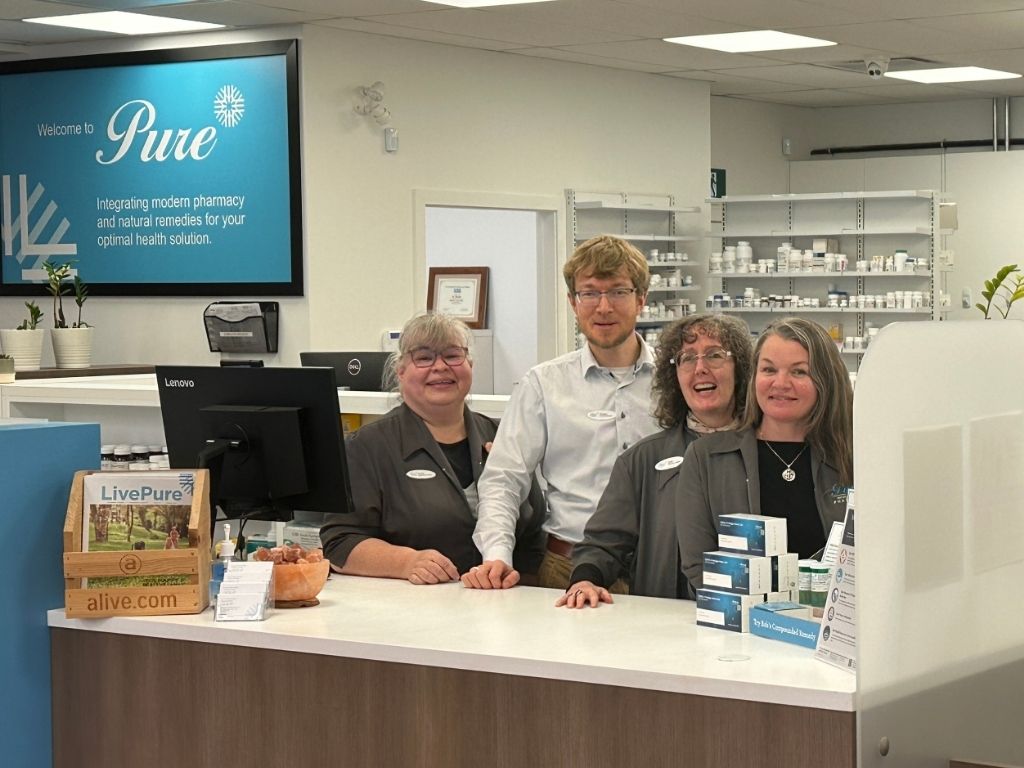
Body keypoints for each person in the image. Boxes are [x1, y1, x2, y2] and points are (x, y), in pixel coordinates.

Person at [462, 234, 659, 591]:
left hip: (658, 569)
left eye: (617, 291)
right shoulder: (543, 385)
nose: (603, 307)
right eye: (589, 292)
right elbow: (504, 478)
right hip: (568, 567)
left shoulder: (674, 383)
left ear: (641, 299)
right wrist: (497, 555)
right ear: (573, 302)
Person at [320, 313, 544, 585]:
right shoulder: (367, 447)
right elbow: (340, 543)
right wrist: (406, 562)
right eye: (424, 357)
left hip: (504, 604)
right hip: (414, 612)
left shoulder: (503, 436)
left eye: (452, 355)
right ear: (400, 372)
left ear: (470, 365)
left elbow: (535, 529)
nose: (440, 367)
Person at [557, 313, 754, 608]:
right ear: (673, 376)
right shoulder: (643, 460)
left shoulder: (766, 451)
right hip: (662, 625)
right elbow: (603, 544)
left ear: (741, 368)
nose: (700, 368)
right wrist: (586, 579)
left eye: (715, 355)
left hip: (750, 623)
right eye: (687, 358)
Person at [676, 317, 854, 594]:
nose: (780, 383)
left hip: (832, 626)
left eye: (799, 372)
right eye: (769, 369)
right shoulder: (706, 458)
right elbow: (699, 566)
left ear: (825, 380)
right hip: (744, 628)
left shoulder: (852, 458)